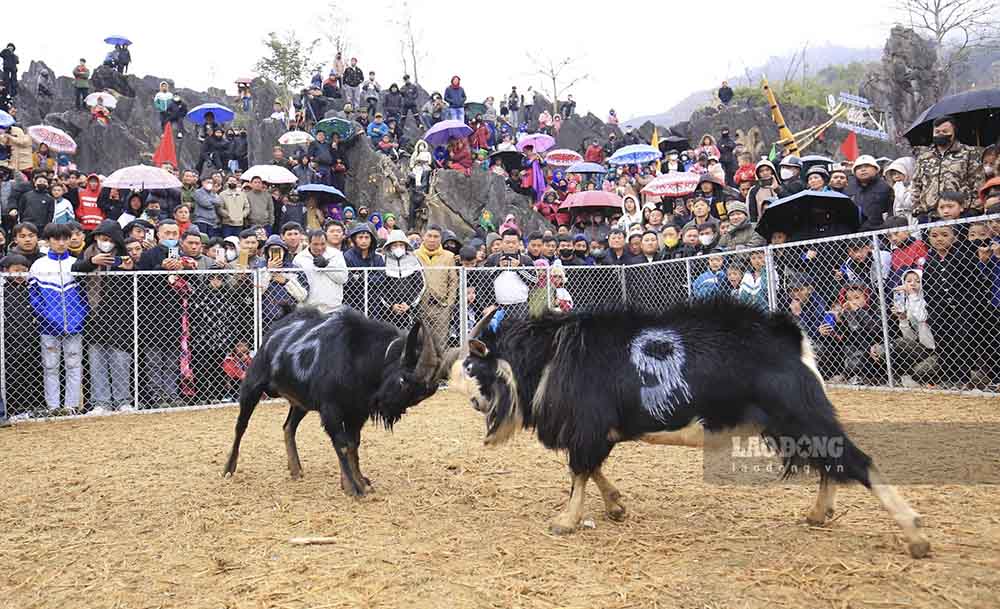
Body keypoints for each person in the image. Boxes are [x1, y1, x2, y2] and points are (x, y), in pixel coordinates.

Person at [71, 220, 133, 411]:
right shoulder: (88, 253)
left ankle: (123, 401)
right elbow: (75, 269)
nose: (105, 242)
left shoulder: (123, 256)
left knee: (120, 360)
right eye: (101, 238)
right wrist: (92, 263)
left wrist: (130, 270)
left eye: (109, 239)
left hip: (118, 318)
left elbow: (133, 286)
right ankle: (100, 402)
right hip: (92, 315)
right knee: (96, 360)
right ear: (95, 237)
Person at [28, 223, 88, 413]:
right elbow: (34, 297)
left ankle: (71, 406)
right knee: (50, 367)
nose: (61, 243)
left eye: (65, 239)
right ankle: (53, 406)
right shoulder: (38, 265)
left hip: (75, 326)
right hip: (47, 327)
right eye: (56, 239)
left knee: (74, 365)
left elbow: (86, 296)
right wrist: (46, 318)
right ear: (48, 241)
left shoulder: (76, 263)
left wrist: (80, 317)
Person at [909, 116, 984, 219]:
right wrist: (918, 210)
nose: (940, 134)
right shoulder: (924, 156)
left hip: (961, 213)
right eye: (937, 132)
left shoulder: (969, 153)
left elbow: (978, 181)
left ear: (954, 132)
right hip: (929, 215)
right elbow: (916, 184)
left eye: (945, 131)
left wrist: (974, 209)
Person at [415, 225, 458, 347]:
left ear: (440, 238)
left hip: (441, 306)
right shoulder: (414, 255)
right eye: (429, 236)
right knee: (420, 342)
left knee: (440, 343)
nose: (432, 239)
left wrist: (449, 304)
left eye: (436, 236)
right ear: (424, 237)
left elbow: (453, 281)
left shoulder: (449, 256)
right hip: (420, 306)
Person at [292, 228, 347, 313]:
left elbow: (342, 279)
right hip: (309, 310)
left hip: (333, 308)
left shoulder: (336, 255)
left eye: (322, 244)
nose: (319, 247)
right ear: (309, 243)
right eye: (315, 244)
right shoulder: (299, 259)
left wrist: (326, 266)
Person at [379, 229, 425, 329]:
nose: (398, 247)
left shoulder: (413, 260)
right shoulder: (383, 260)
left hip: (410, 308)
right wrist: (391, 305)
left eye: (401, 245)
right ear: (389, 247)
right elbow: (380, 286)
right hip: (388, 310)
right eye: (395, 245)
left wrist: (409, 304)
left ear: (405, 246)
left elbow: (420, 284)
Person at [484, 228, 535, 319]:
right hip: (497, 305)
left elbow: (534, 280)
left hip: (520, 306)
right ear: (502, 243)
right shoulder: (493, 258)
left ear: (519, 244)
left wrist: (519, 268)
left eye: (514, 242)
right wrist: (499, 268)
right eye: (507, 242)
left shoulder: (526, 259)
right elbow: (483, 278)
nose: (510, 245)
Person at [343, 222, 385, 312]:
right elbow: (347, 280)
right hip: (353, 301)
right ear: (355, 240)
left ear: (371, 240)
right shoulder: (347, 256)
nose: (364, 241)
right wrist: (368, 278)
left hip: (373, 302)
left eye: (366, 237)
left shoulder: (377, 258)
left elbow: (381, 279)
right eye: (360, 237)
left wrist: (361, 277)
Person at [845, 155, 893, 231]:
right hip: (854, 234)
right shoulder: (848, 188)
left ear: (876, 169)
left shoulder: (886, 187)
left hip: (880, 232)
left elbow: (891, 211)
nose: (863, 170)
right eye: (859, 168)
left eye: (867, 166)